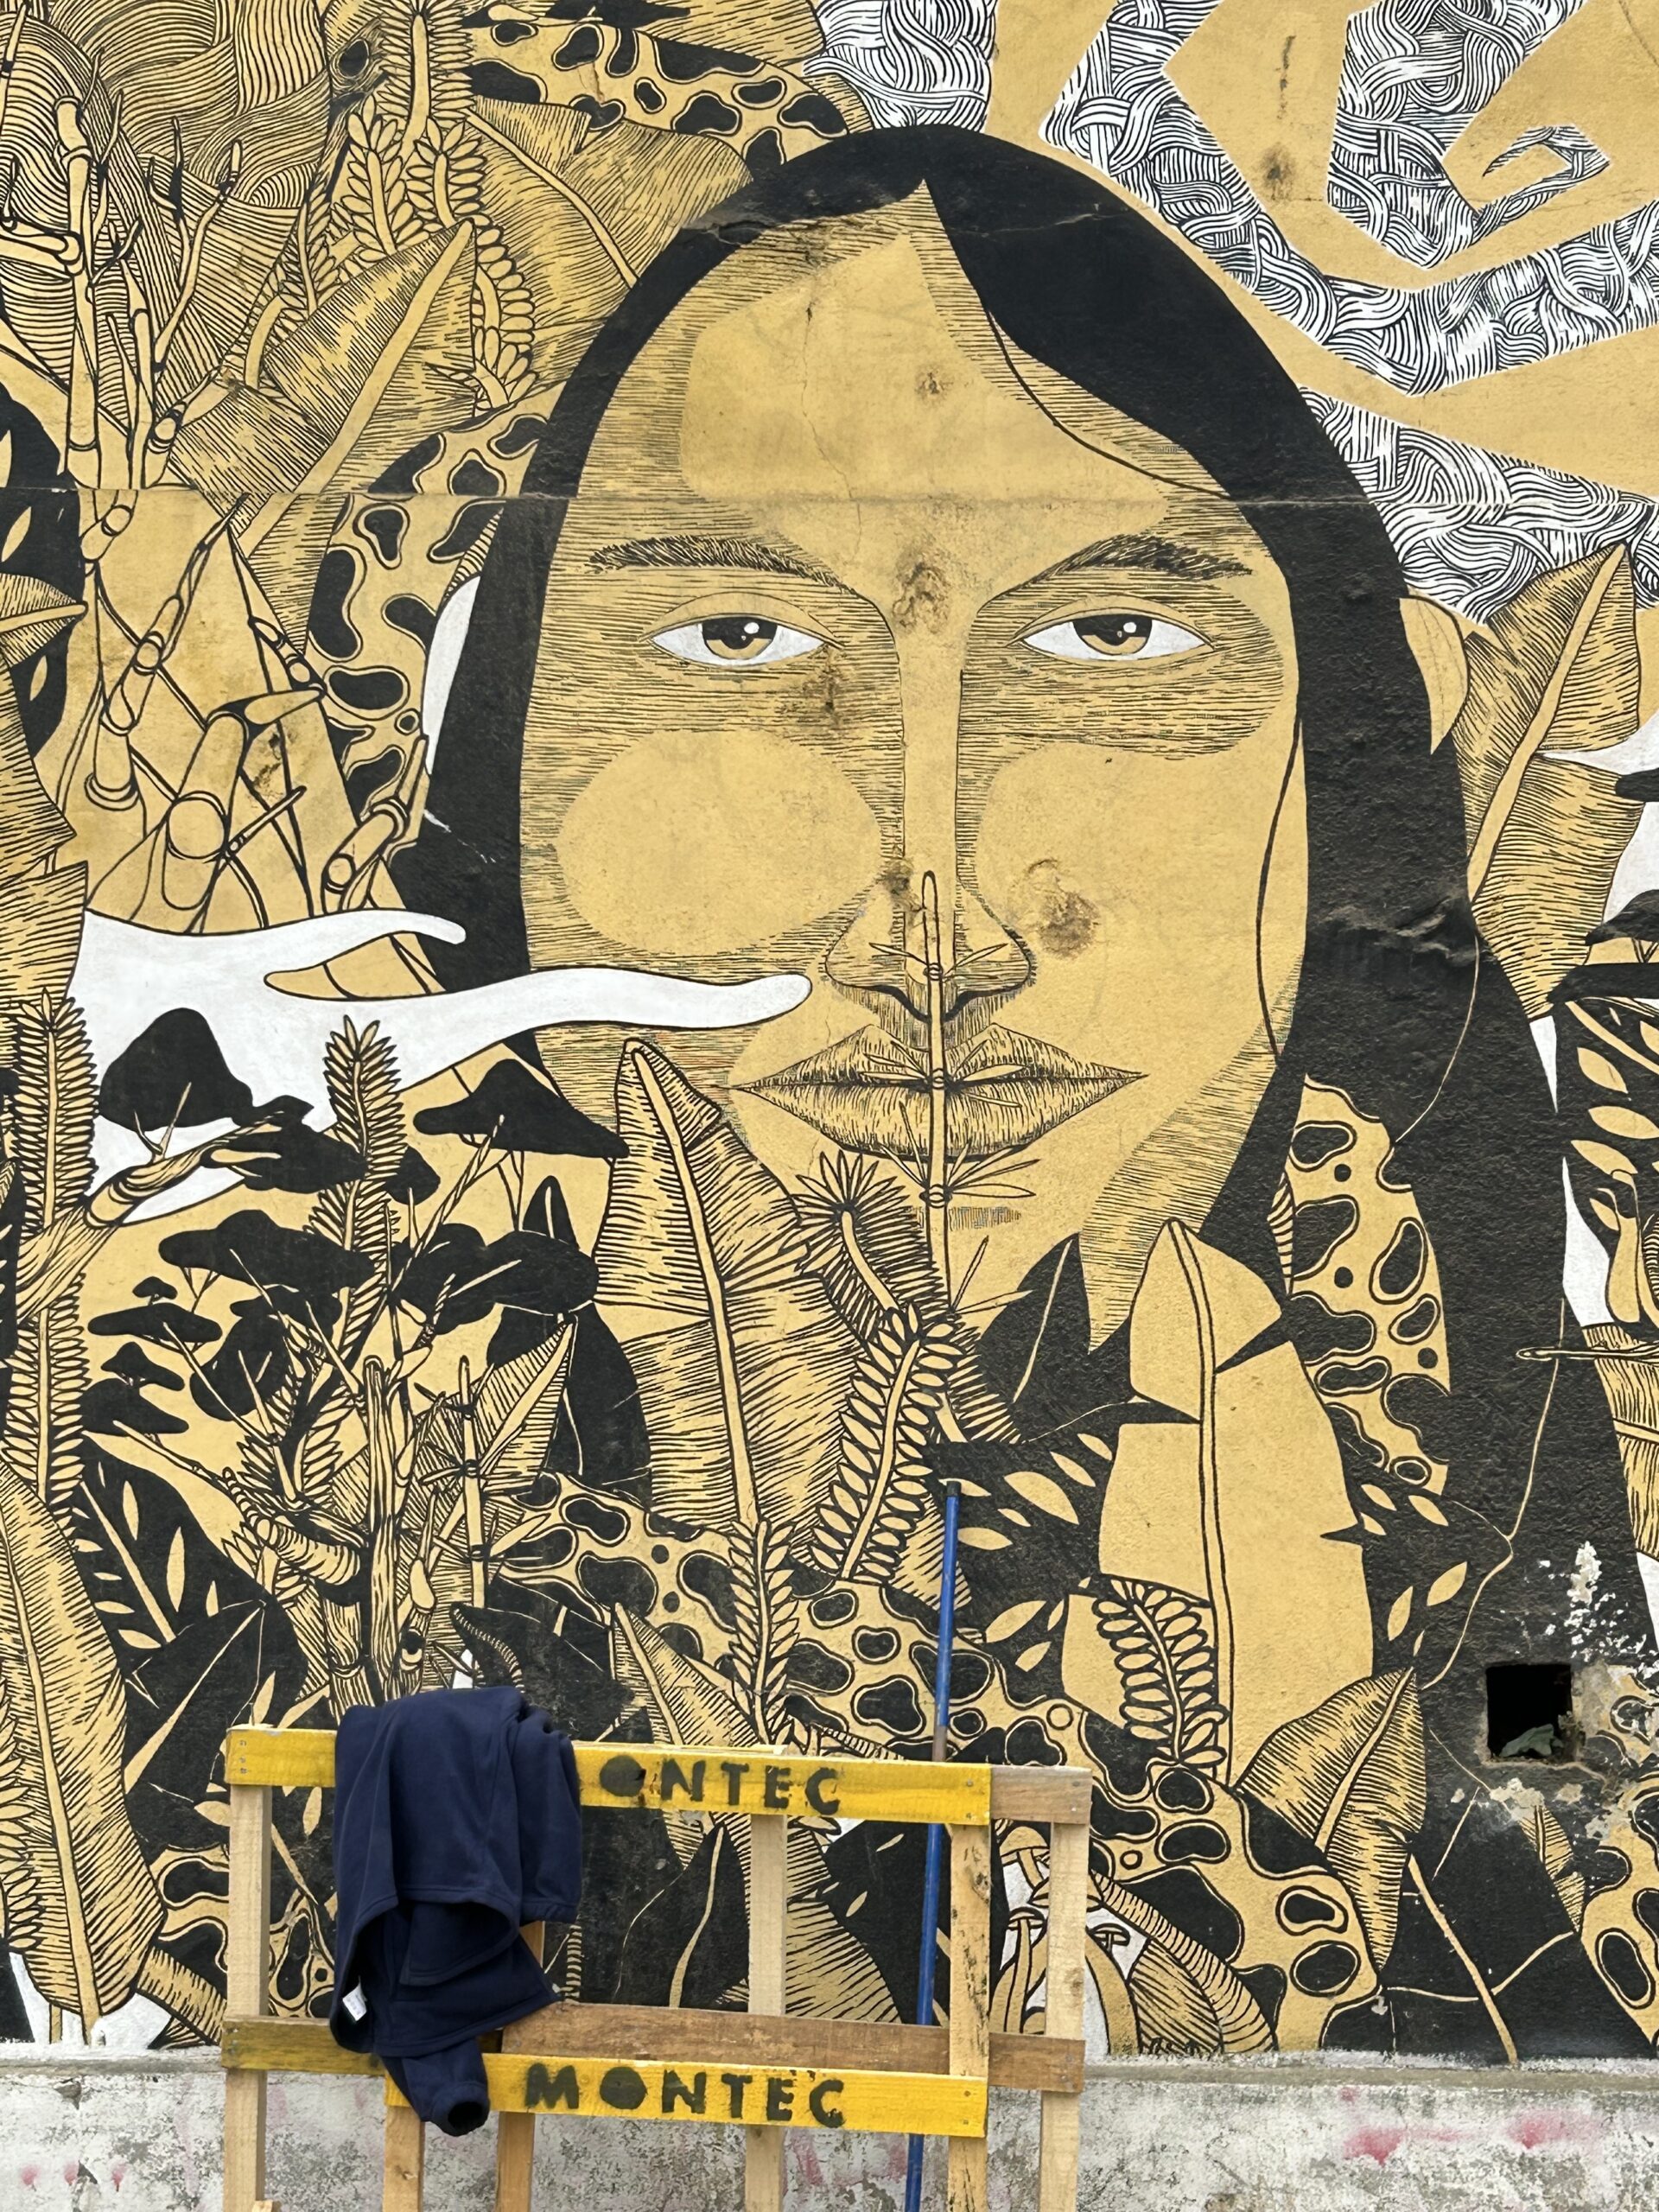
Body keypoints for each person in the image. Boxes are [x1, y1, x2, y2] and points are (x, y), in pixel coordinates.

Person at [398, 127, 1653, 2056]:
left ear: (1355, 725)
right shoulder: (342, 1404)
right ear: (486, 733)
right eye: (737, 636)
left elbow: (1562, 1727)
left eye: (1111, 637)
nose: (938, 920)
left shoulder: (1414, 1357)